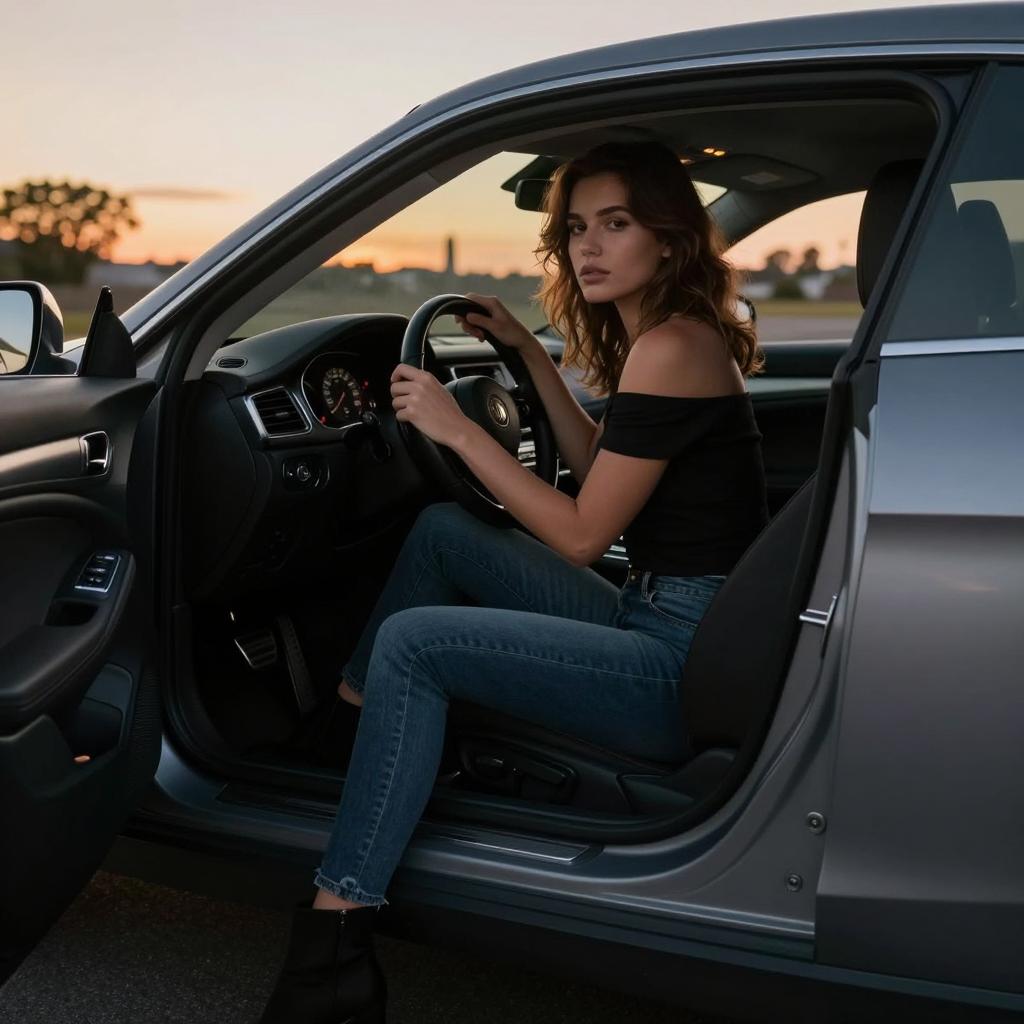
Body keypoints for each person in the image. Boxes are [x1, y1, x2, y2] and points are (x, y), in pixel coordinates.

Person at [255, 141, 769, 1024]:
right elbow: (596, 467)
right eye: (576, 229)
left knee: (415, 648)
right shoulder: (666, 339)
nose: (588, 248)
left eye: (616, 224)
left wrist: (459, 431)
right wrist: (531, 355)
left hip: (677, 663)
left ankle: (334, 940)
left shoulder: (676, 346)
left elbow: (578, 535)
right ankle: (342, 731)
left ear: (670, 236)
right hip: (663, 616)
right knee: (447, 530)